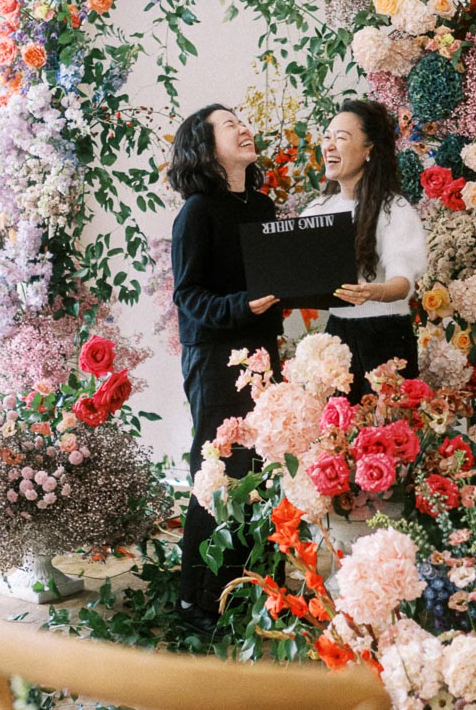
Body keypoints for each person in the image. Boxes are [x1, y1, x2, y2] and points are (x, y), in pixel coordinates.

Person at [168, 103, 281, 634]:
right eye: (229, 123)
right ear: (205, 145)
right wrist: (243, 306)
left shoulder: (263, 206)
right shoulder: (195, 211)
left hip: (264, 354)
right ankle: (198, 600)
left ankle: (256, 591)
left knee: (262, 471)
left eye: (243, 120)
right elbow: (188, 296)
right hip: (215, 358)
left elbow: (278, 285)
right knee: (215, 476)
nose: (243, 127)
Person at [304, 99, 426, 402]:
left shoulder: (393, 209)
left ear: (369, 149)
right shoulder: (318, 209)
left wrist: (371, 292)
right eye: (327, 137)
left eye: (341, 138)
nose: (329, 146)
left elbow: (403, 283)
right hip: (337, 337)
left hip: (385, 339)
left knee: (382, 440)